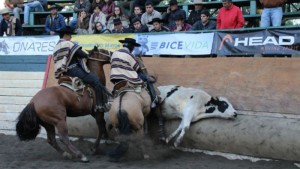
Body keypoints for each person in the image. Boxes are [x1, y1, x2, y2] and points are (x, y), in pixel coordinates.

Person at [53, 26, 111, 112]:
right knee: (96, 81)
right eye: (70, 35)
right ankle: (100, 105)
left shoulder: (56, 47)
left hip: (64, 73)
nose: (71, 37)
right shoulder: (68, 44)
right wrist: (90, 54)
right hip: (74, 70)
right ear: (65, 35)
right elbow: (82, 54)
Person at [110, 38, 160, 109]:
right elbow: (137, 69)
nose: (133, 49)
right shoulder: (130, 55)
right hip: (128, 78)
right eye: (133, 47)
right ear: (131, 46)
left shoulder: (114, 53)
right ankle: (154, 98)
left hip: (115, 78)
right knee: (146, 78)